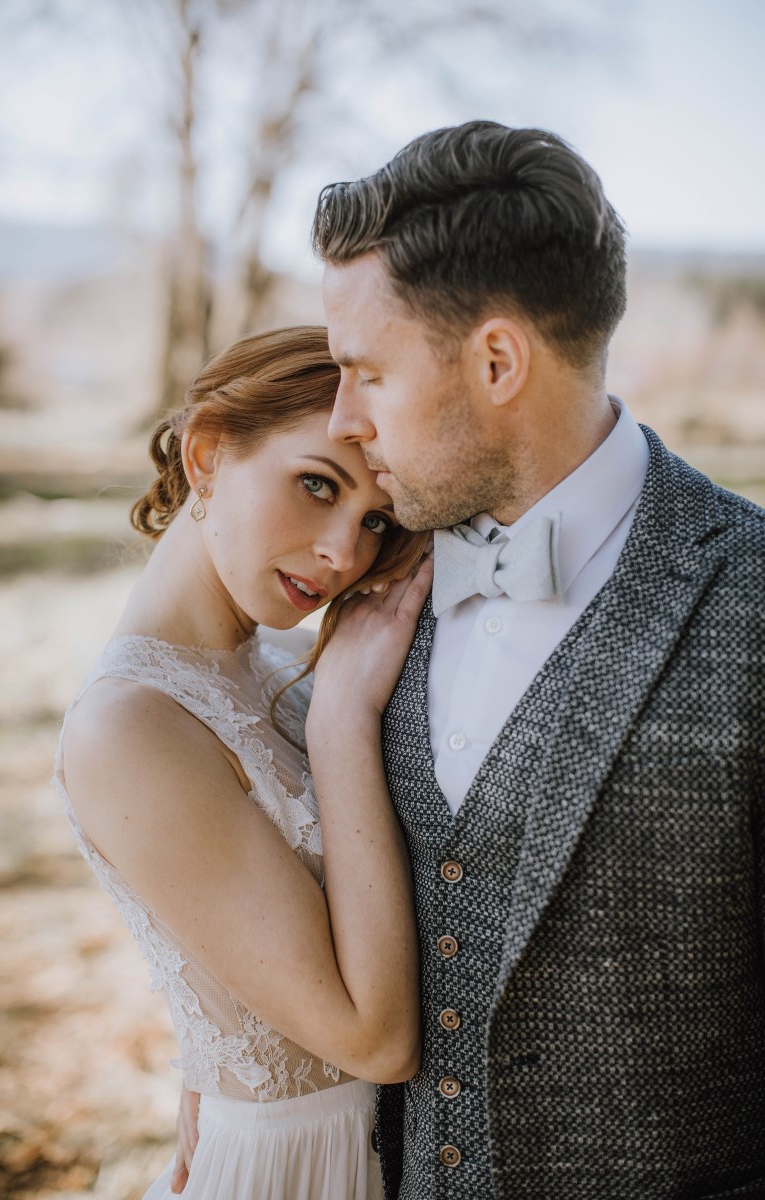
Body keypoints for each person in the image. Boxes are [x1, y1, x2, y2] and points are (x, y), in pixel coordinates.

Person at [307, 121, 765, 1198]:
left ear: (497, 360)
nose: (341, 421)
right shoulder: (368, 586)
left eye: (364, 373)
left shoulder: (750, 601)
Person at [53, 325, 431, 1200]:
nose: (345, 553)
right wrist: (342, 719)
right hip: (293, 1171)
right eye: (315, 485)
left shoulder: (266, 669)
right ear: (209, 452)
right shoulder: (129, 728)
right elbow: (376, 1039)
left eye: (374, 520)